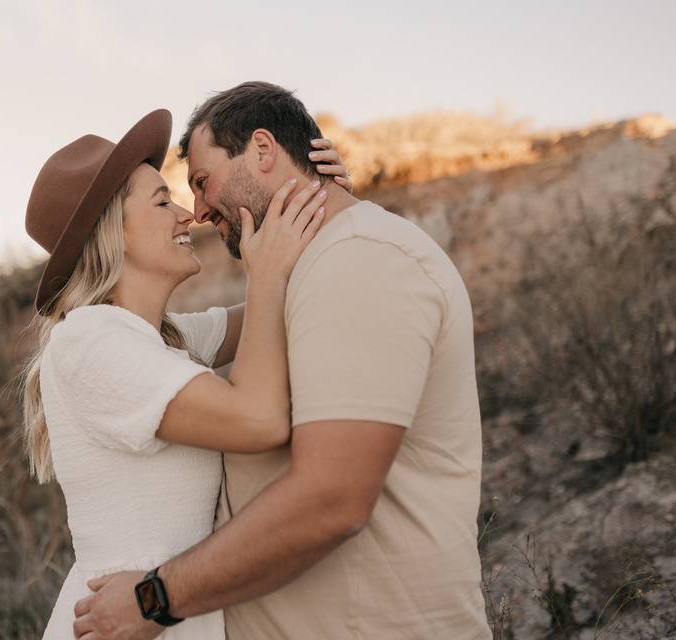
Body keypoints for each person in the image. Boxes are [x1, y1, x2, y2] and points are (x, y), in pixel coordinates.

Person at [73, 82, 490, 639]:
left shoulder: (361, 261)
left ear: (264, 150)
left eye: (201, 182)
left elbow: (331, 498)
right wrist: (315, 215)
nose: (195, 211)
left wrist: (156, 599)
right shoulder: (319, 270)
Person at [19, 108, 351, 639]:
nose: (187, 215)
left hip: (167, 613)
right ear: (115, 232)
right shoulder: (91, 343)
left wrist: (322, 197)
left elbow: (286, 307)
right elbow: (259, 420)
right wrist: (266, 271)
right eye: (161, 201)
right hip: (128, 620)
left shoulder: (159, 339)